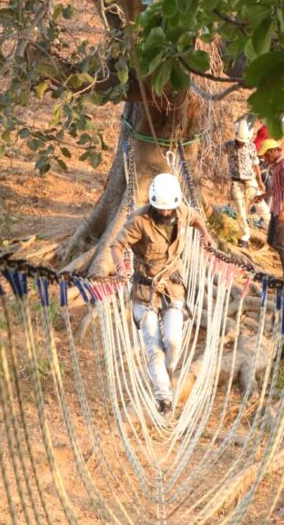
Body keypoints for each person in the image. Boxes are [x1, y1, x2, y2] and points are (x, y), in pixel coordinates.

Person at [110, 173, 214, 414]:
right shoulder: (139, 221)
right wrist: (120, 268)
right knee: (154, 346)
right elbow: (117, 246)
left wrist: (205, 235)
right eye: (162, 209)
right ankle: (163, 397)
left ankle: (168, 371)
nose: (166, 213)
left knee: (174, 340)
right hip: (145, 292)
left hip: (173, 288)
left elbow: (197, 218)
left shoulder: (181, 212)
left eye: (170, 209)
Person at [222, 119, 270, 249]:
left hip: (250, 181)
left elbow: (255, 164)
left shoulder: (251, 146)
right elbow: (217, 152)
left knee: (262, 206)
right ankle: (244, 237)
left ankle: (272, 230)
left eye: (242, 142)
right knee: (240, 211)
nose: (240, 144)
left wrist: (260, 181)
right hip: (236, 182)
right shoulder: (228, 145)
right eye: (238, 141)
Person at [259, 139, 284, 275]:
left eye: (267, 155)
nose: (266, 158)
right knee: (271, 241)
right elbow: (278, 189)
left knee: (281, 244)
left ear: (275, 151)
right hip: (276, 208)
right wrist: (264, 195)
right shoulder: (275, 166)